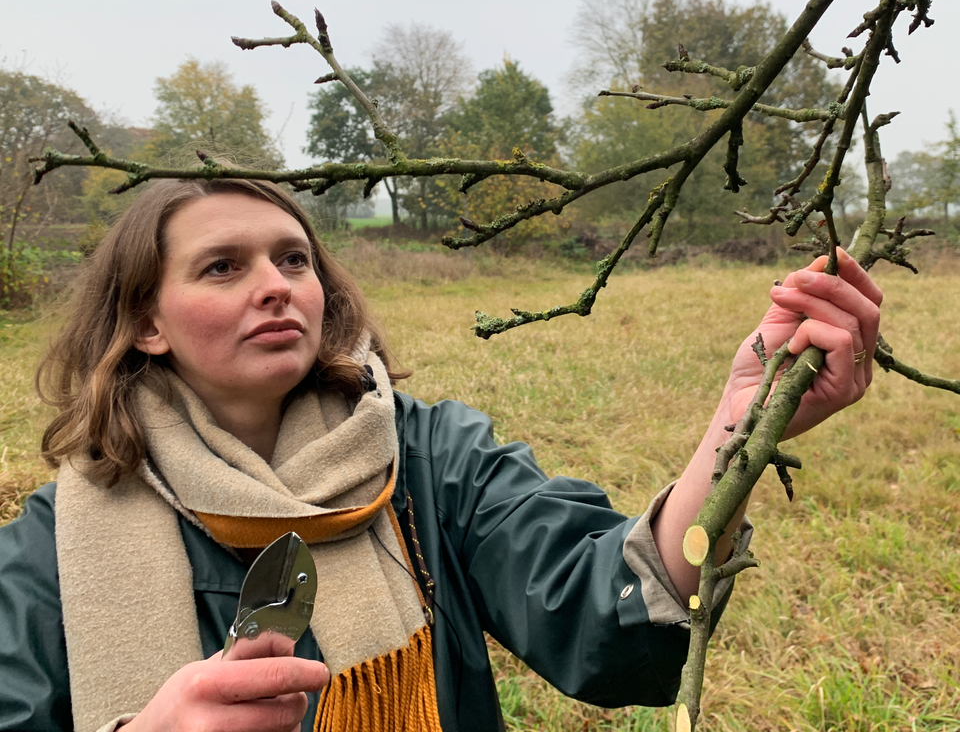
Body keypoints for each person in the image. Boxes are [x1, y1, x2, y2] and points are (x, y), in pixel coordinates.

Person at [0, 177, 881, 732]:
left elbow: (599, 612)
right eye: (223, 267)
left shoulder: (426, 460)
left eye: (293, 258)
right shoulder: (53, 547)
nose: (276, 284)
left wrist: (738, 425)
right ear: (147, 322)